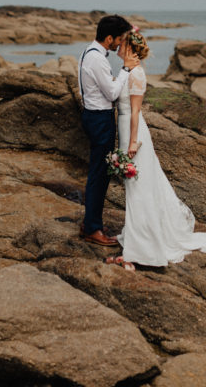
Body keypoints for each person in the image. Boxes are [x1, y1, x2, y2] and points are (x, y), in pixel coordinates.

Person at [106, 27, 206, 270]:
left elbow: (135, 111)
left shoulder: (136, 74)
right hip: (125, 128)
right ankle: (136, 238)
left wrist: (133, 142)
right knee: (136, 188)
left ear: (129, 48)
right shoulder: (127, 71)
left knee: (138, 189)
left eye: (121, 45)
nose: (117, 48)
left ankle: (139, 251)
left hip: (133, 131)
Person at [78, 14, 139, 246]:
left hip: (92, 115)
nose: (120, 44)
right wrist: (125, 69)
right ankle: (93, 228)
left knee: (98, 173)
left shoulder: (88, 52)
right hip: (100, 119)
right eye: (119, 39)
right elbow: (112, 94)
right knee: (99, 176)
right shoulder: (97, 59)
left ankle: (90, 222)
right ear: (109, 38)